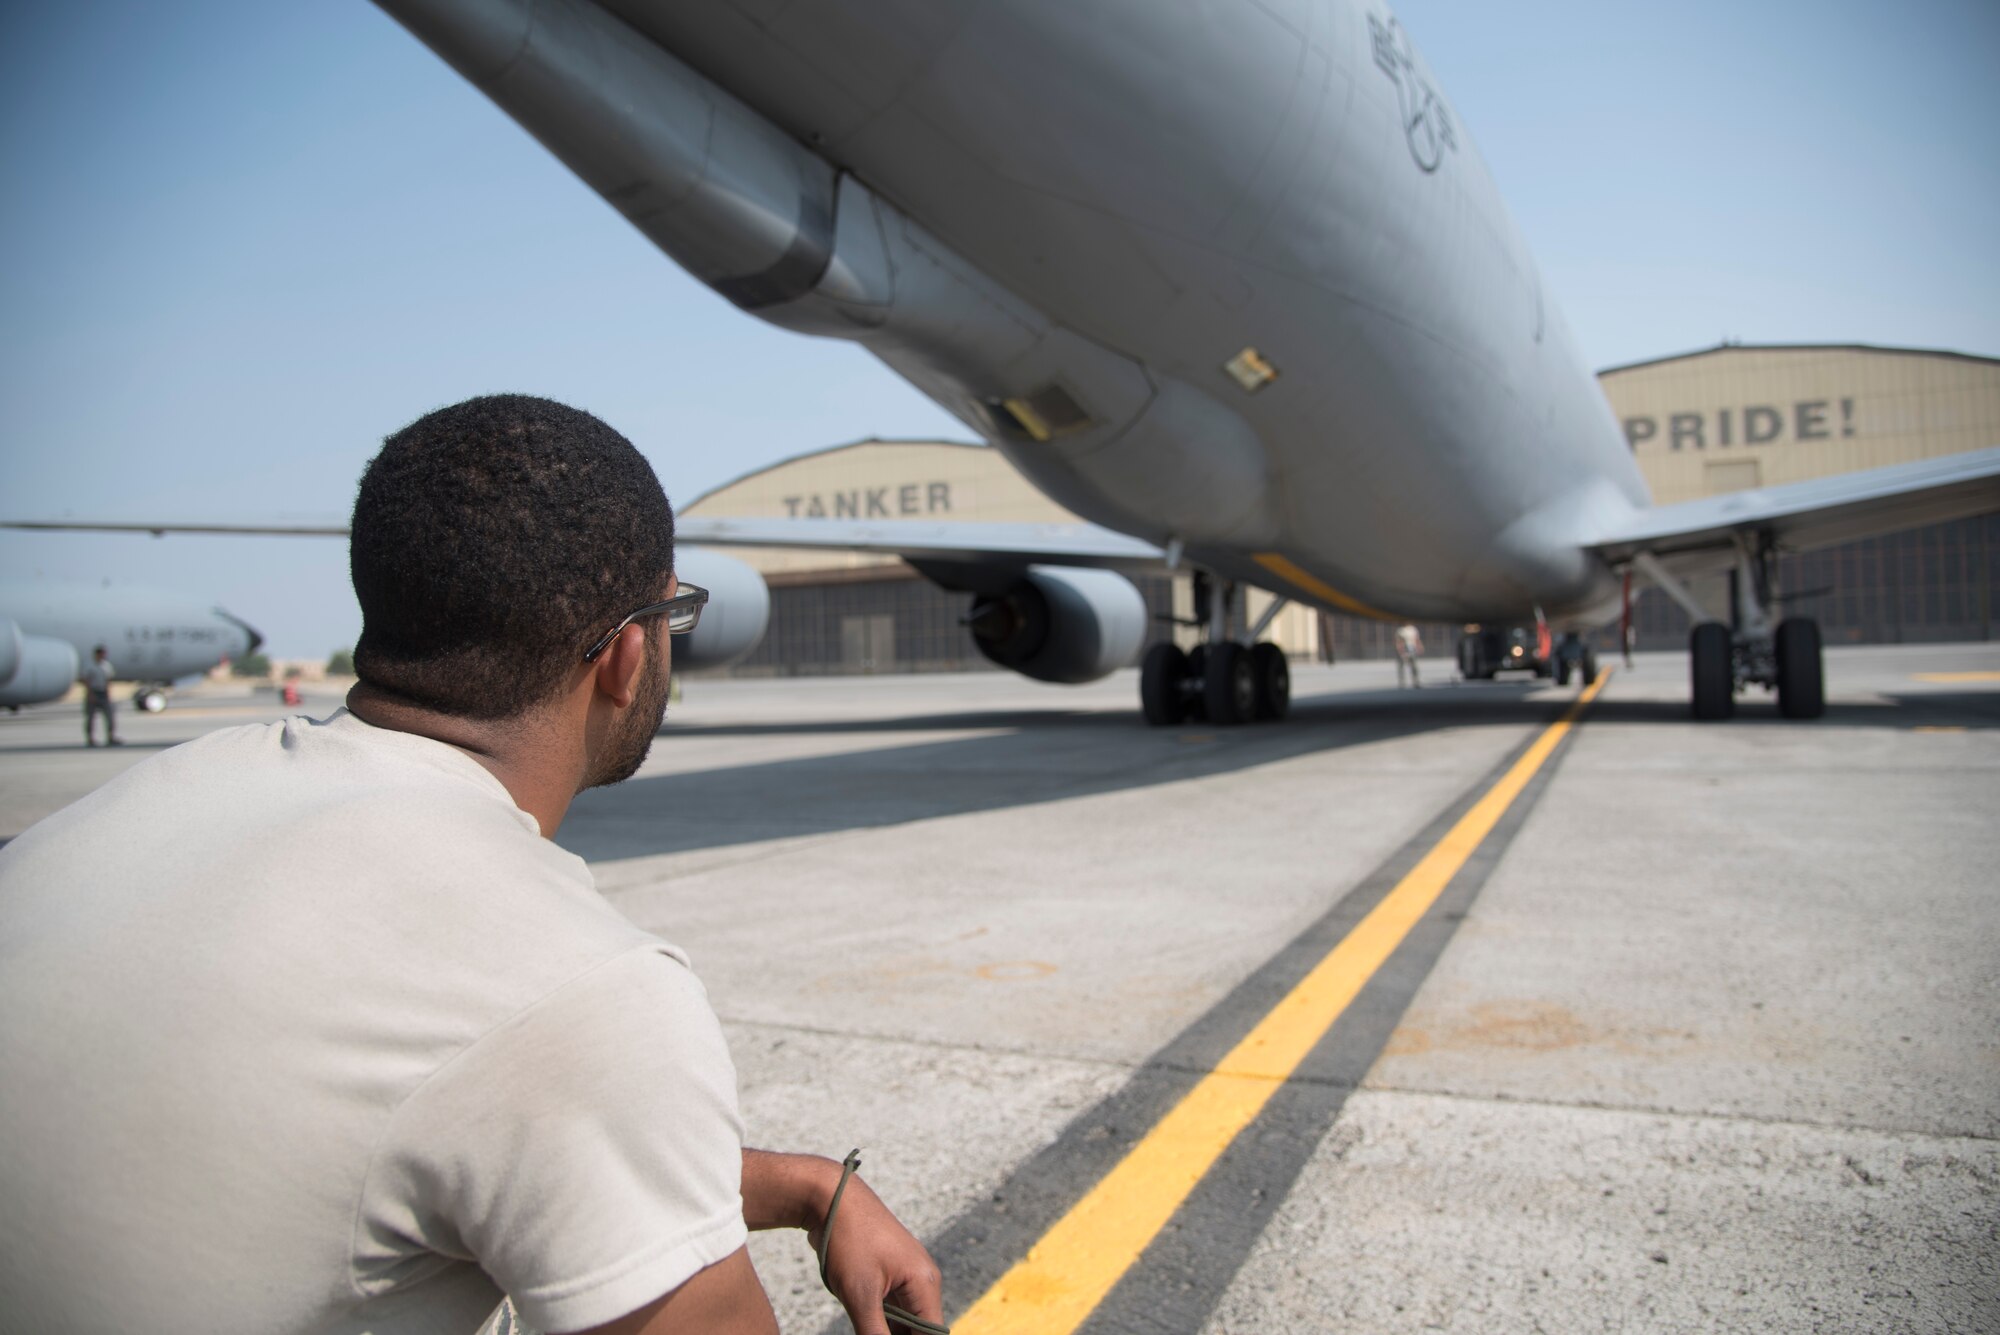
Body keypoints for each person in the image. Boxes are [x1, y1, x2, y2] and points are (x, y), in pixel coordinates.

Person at [0, 396, 942, 1335]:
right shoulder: (581, 988)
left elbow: (381, 1130)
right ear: (624, 654)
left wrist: (807, 1187)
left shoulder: (134, 807)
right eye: (674, 615)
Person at [81, 643, 120, 745]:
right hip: (93, 692)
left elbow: (108, 680)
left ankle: (110, 736)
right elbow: (86, 680)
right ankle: (90, 739)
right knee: (90, 717)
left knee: (110, 716)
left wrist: (108, 693)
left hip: (103, 692)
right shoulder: (89, 666)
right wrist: (90, 694)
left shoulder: (106, 666)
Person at [1394, 622, 1423, 688]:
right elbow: (1398, 641)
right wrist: (1400, 650)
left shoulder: (1413, 629)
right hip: (1404, 649)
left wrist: (1420, 646)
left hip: (1412, 649)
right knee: (1401, 667)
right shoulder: (1401, 630)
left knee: (1414, 667)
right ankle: (1402, 683)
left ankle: (1416, 682)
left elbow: (1417, 639)